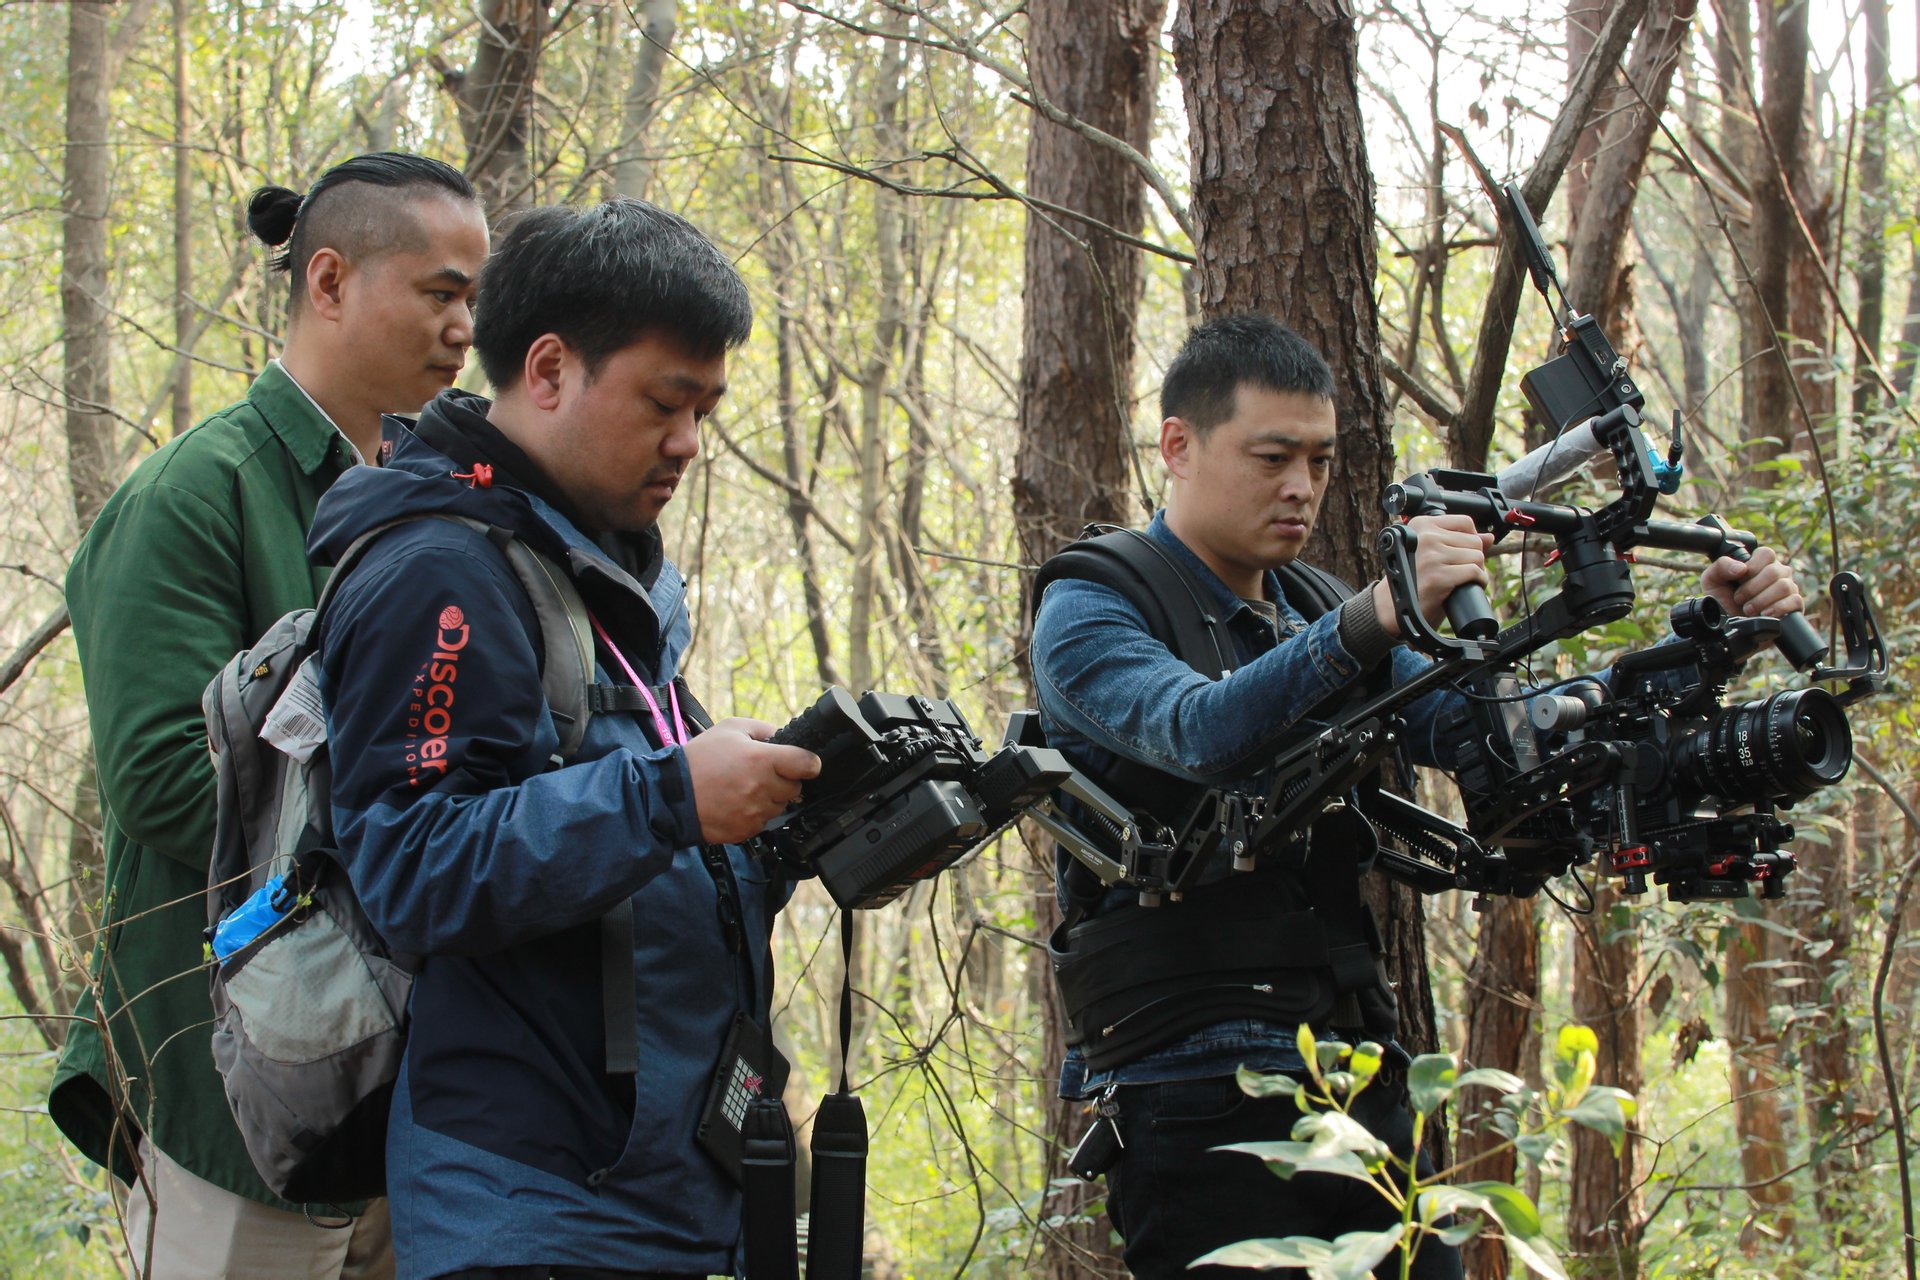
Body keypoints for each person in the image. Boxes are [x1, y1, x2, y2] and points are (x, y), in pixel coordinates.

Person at [1029, 313, 1804, 1279]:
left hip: (1358, 1061)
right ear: (1177, 445)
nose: (1302, 487)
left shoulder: (1312, 604)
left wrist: (1703, 644)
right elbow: (1199, 732)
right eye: (1272, 456)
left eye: (1318, 459)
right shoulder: (1093, 603)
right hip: (1196, 1081)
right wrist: (1378, 613)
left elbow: (1494, 731)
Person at [306, 197, 821, 1280]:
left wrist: (770, 818)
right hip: (532, 1200)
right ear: (548, 370)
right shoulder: (441, 570)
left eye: (706, 409)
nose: (687, 442)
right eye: (664, 403)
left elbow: (616, 853)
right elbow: (409, 866)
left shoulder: (596, 565)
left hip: (663, 1188)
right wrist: (672, 795)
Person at [54, 152, 488, 1277]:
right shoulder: (194, 494)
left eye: (474, 300)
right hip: (226, 1084)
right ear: (330, 281)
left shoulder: (428, 494)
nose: (462, 328)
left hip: (393, 1080)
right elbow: (159, 777)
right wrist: (404, 807)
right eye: (439, 293)